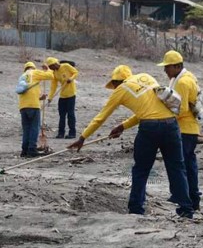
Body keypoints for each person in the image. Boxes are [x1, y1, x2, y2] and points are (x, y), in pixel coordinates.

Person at [68, 65, 194, 219]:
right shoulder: (146, 77)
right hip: (171, 125)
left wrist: (83, 137)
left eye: (113, 85)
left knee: (141, 169)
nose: (113, 88)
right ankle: (186, 209)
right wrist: (122, 126)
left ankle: (136, 209)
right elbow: (150, 111)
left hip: (149, 129)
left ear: (116, 82)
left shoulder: (121, 89)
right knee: (177, 167)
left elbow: (101, 117)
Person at [157, 50, 202, 211]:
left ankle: (185, 201)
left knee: (180, 166)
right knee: (189, 165)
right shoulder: (186, 77)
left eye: (167, 67)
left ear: (177, 66)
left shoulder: (182, 82)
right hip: (190, 129)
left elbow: (181, 109)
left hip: (185, 129)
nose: (165, 71)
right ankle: (193, 199)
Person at [18, 61, 54, 157]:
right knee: (34, 127)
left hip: (23, 107)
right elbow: (50, 76)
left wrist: (40, 98)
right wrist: (48, 69)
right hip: (33, 106)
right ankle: (32, 149)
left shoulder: (22, 76)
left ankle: (24, 150)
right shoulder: (34, 72)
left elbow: (27, 92)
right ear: (33, 67)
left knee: (26, 129)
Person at [46, 57, 79, 139]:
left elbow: (75, 72)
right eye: (50, 67)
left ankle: (72, 133)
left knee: (70, 114)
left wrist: (71, 79)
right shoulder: (54, 73)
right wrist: (50, 97)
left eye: (52, 66)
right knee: (62, 115)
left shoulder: (66, 66)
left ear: (55, 63)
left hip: (71, 94)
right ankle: (61, 133)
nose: (52, 68)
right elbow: (53, 86)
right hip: (62, 95)